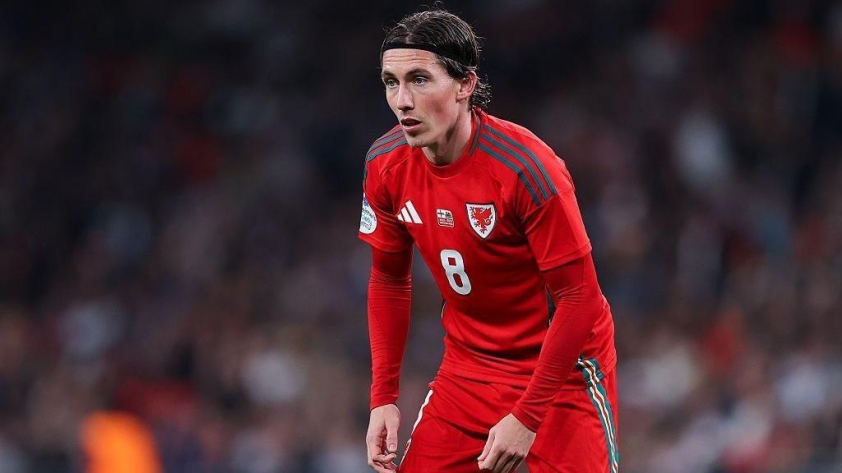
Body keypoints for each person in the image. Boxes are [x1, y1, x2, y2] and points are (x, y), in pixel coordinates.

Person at [358, 8, 618, 473]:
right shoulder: (385, 165)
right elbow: (389, 279)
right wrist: (383, 398)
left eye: (419, 79)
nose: (402, 100)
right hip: (468, 368)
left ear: (465, 84)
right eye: (391, 82)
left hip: (562, 373)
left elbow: (579, 297)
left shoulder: (527, 169)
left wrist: (528, 415)